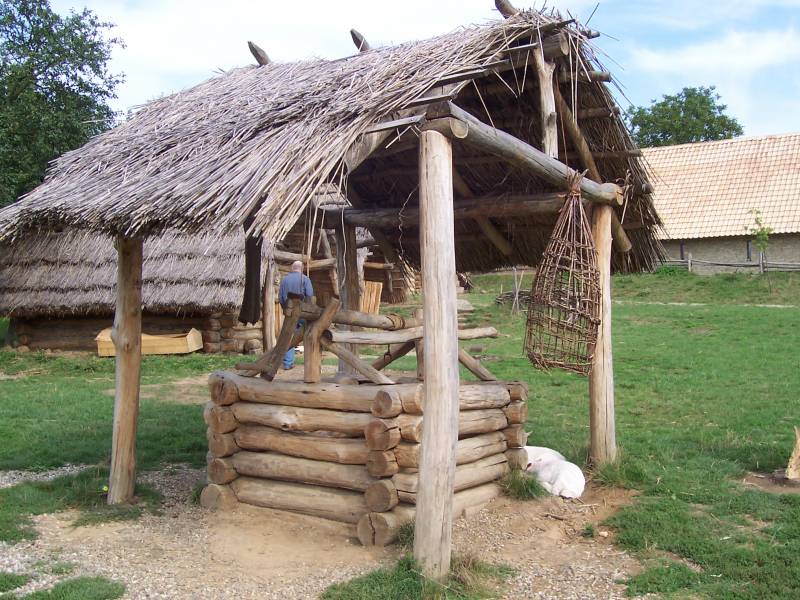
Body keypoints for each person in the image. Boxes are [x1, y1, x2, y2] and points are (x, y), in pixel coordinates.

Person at [278, 260, 314, 370]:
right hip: (302, 313)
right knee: (310, 332)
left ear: (292, 268)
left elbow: (281, 298)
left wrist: (286, 309)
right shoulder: (305, 279)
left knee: (289, 337)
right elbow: (309, 295)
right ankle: (311, 360)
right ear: (301, 268)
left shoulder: (284, 280)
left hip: (289, 313)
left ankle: (287, 363)